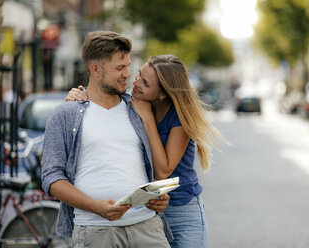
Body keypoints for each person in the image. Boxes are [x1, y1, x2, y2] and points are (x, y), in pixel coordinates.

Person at [66, 54, 223, 248]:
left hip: (181, 211)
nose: (136, 82)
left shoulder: (178, 118)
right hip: (145, 213)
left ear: (163, 94)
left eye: (146, 83)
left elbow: (163, 171)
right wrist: (79, 94)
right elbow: (101, 102)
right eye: (139, 74)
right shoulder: (131, 104)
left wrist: (147, 119)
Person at [41, 31, 172, 248]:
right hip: (96, 232)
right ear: (95, 70)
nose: (128, 75)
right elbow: (51, 177)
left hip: (147, 228)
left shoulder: (139, 109)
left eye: (128, 66)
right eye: (119, 68)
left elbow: (155, 165)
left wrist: (158, 196)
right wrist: (96, 207)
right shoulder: (65, 114)